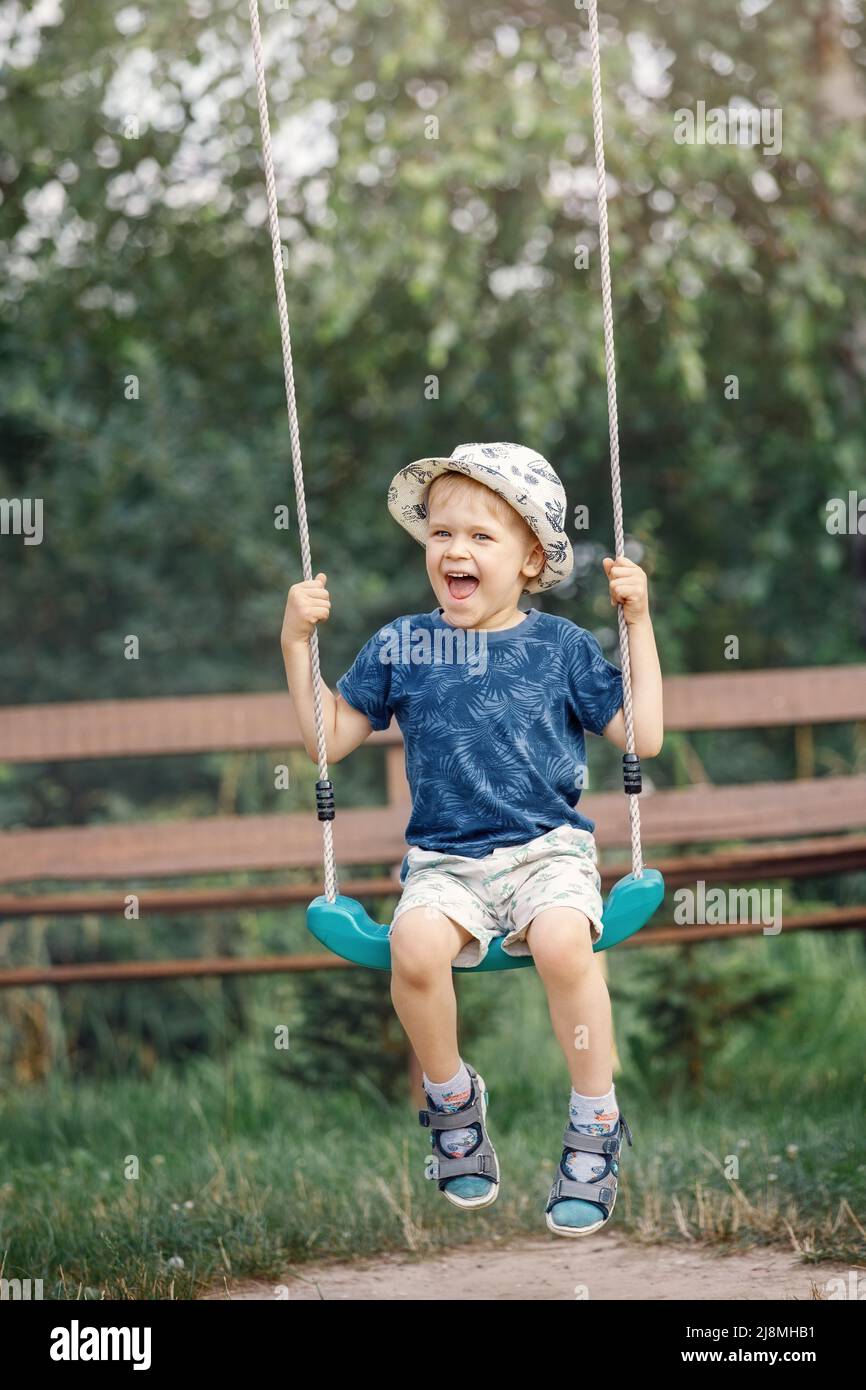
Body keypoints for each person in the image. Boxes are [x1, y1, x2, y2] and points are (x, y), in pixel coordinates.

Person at [281, 442, 663, 1237]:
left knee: (565, 942)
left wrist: (639, 622)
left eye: (481, 537)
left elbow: (646, 736)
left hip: (548, 851)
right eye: (440, 533)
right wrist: (294, 643)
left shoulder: (559, 647)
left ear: (531, 559)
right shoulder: (406, 643)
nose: (454, 550)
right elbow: (330, 739)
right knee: (412, 949)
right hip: (445, 863)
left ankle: (594, 1123)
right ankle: (452, 1103)